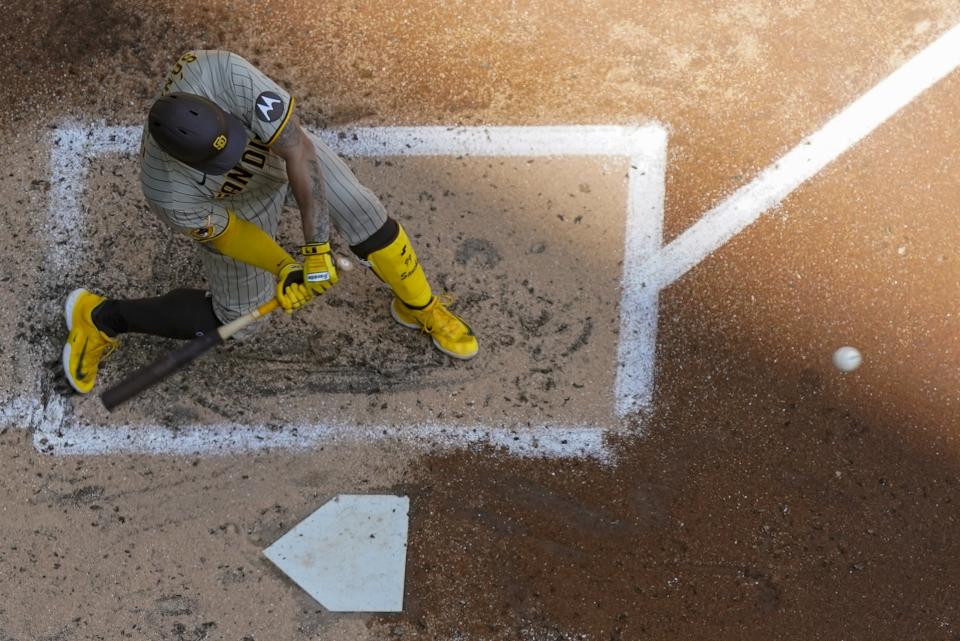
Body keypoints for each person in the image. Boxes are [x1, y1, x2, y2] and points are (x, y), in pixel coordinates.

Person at [62, 50, 478, 395]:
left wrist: (315, 250)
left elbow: (297, 150)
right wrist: (285, 267)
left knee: (361, 210)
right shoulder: (167, 190)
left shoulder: (222, 72)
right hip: (239, 203)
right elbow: (232, 235)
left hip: (283, 157)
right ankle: (101, 317)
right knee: (238, 323)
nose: (238, 157)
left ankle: (420, 306)